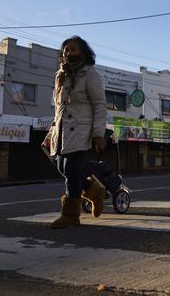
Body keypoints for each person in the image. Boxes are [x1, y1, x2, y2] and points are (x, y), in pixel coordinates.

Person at [43, 36, 107, 229]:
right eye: (66, 51)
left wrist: (98, 134)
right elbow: (59, 109)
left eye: (74, 49)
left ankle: (70, 215)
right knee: (63, 168)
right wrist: (50, 133)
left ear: (83, 52)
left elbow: (99, 105)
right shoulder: (60, 75)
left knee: (71, 169)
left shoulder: (90, 74)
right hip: (61, 131)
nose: (69, 53)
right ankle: (94, 190)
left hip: (81, 130)